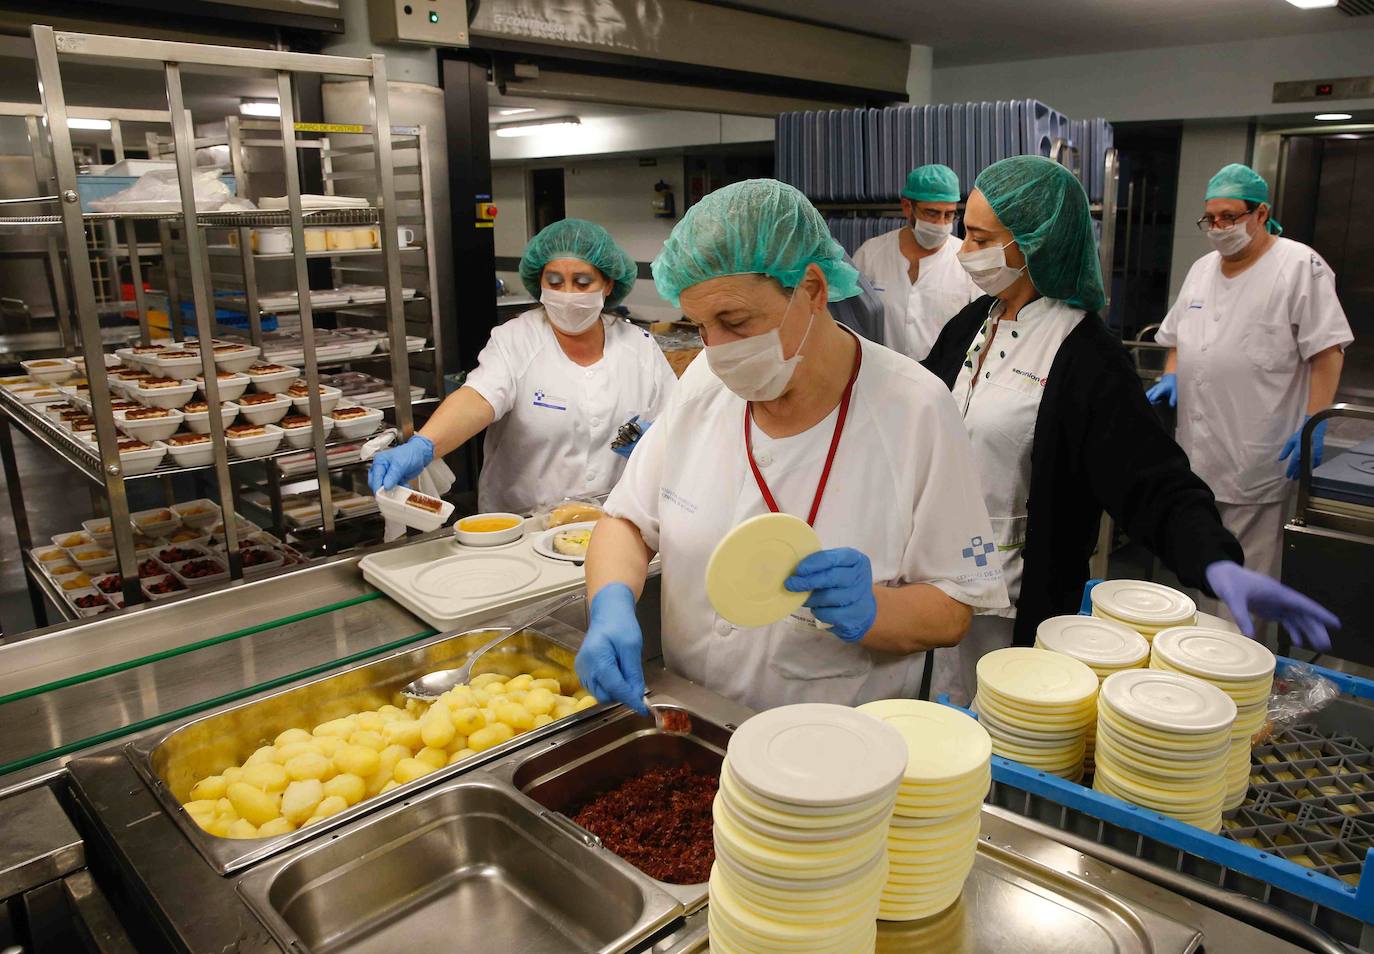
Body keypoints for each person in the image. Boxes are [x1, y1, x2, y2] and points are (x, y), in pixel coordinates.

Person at [574, 179, 1008, 714]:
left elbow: (954, 607)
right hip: (696, 723)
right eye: (701, 326)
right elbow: (626, 523)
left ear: (811, 289)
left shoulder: (917, 408)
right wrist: (610, 603)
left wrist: (876, 609)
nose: (716, 349)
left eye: (734, 322)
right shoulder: (702, 386)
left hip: (828, 744)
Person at [921, 156, 1338, 705]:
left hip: (1018, 603)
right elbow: (919, 419)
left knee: (1005, 735)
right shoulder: (969, 325)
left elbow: (1150, 480)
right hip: (939, 587)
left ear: (1033, 243)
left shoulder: (1084, 353)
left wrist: (1215, 561)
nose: (965, 249)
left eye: (980, 236)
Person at [368, 219, 677, 513]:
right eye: (554, 281)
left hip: (613, 519)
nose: (567, 294)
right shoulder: (516, 339)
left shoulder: (639, 346)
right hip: (522, 523)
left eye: (582, 282)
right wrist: (425, 445)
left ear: (608, 284)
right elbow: (479, 396)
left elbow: (676, 420)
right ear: (539, 283)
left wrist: (657, 443)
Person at [1148, 163, 1351, 588]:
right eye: (1211, 218)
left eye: (1230, 217)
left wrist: (1314, 426)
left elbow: (1327, 351)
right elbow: (1177, 340)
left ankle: (1247, 651)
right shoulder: (1203, 269)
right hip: (1198, 450)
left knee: (1248, 579)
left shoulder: (1299, 266)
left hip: (1257, 455)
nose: (1219, 227)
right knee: (1197, 571)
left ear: (1260, 214)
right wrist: (1171, 375)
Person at [852, 163, 979, 361]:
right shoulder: (871, 254)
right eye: (932, 213)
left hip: (943, 382)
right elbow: (851, 320)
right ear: (907, 207)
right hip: (881, 375)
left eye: (949, 215)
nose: (941, 223)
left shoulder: (968, 260)